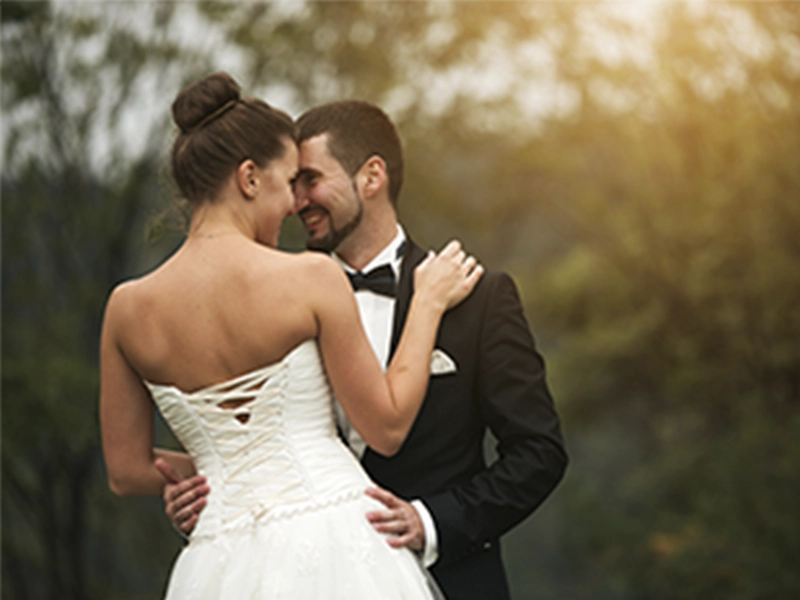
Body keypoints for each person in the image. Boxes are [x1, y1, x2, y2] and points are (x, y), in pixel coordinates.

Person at [160, 99, 568, 600]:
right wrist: (209, 497)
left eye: (309, 180)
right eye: (290, 184)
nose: (296, 201)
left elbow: (538, 454)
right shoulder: (275, 302)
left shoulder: (479, 299)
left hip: (454, 581)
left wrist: (432, 521)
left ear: (371, 176)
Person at [99, 72, 484, 600]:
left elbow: (126, 472)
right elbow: (387, 427)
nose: (293, 206)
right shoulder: (308, 277)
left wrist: (218, 470)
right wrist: (428, 305)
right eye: (286, 184)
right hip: (337, 541)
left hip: (219, 559)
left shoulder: (126, 308)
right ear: (250, 179)